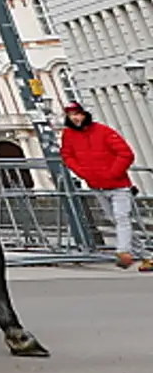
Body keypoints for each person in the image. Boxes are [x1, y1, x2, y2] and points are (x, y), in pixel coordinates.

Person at [59, 102, 140, 268]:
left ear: (85, 114)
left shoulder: (103, 131)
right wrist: (82, 172)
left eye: (78, 113)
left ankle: (123, 252)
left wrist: (112, 173)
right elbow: (67, 155)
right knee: (114, 218)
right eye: (71, 115)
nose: (75, 118)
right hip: (96, 185)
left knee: (121, 217)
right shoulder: (68, 135)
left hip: (118, 185)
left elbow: (126, 153)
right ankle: (144, 253)